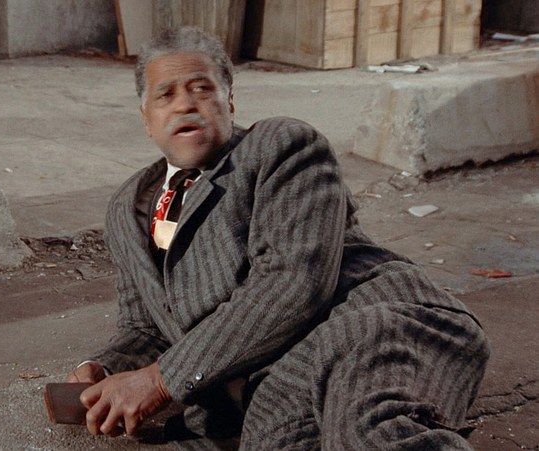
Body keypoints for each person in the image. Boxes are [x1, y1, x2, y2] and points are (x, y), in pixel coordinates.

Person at [66, 27, 489, 450]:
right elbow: (146, 326)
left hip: (374, 324)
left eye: (202, 89)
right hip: (281, 376)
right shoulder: (128, 209)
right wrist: (106, 370)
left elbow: (292, 282)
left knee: (368, 431)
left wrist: (160, 380)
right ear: (146, 119)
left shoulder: (281, 147)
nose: (185, 104)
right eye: (166, 95)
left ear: (230, 101)